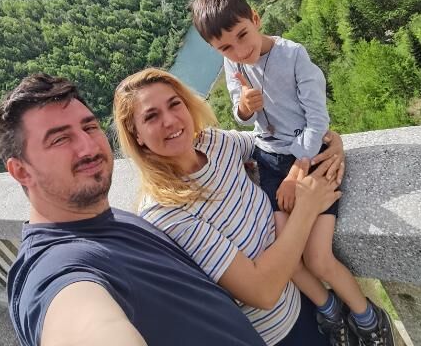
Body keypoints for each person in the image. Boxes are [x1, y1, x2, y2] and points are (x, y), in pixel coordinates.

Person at [0, 72, 275, 346]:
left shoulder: (111, 219)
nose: (88, 147)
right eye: (60, 139)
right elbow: (84, 322)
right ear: (21, 171)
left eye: (89, 127)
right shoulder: (55, 269)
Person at [190, 0, 395, 346]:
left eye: (242, 35)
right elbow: (239, 115)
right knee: (287, 257)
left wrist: (299, 169)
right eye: (225, 47)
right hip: (269, 159)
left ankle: (367, 317)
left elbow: (318, 119)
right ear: (215, 49)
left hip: (310, 157)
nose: (239, 51)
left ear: (255, 19)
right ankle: (330, 309)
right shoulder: (233, 63)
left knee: (317, 258)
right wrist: (244, 108)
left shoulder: (293, 55)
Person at [114, 67, 346, 346]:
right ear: (137, 135)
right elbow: (262, 291)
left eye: (174, 104)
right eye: (151, 116)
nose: (170, 120)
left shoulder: (213, 143)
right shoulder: (165, 211)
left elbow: (274, 146)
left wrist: (328, 142)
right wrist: (307, 208)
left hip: (306, 297)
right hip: (278, 334)